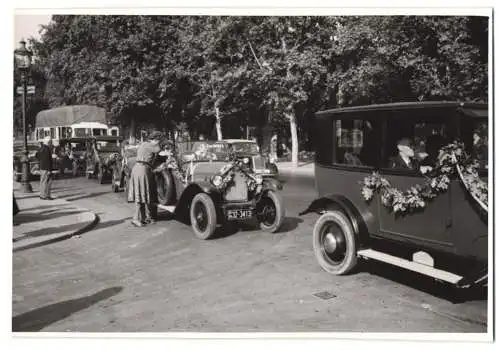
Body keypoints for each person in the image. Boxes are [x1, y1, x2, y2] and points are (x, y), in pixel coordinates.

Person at [128, 131, 163, 227]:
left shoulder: (144, 144)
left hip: (139, 169)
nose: (158, 142)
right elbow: (159, 150)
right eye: (158, 140)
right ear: (155, 140)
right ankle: (136, 219)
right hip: (142, 170)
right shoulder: (149, 145)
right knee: (140, 195)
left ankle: (143, 218)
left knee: (142, 195)